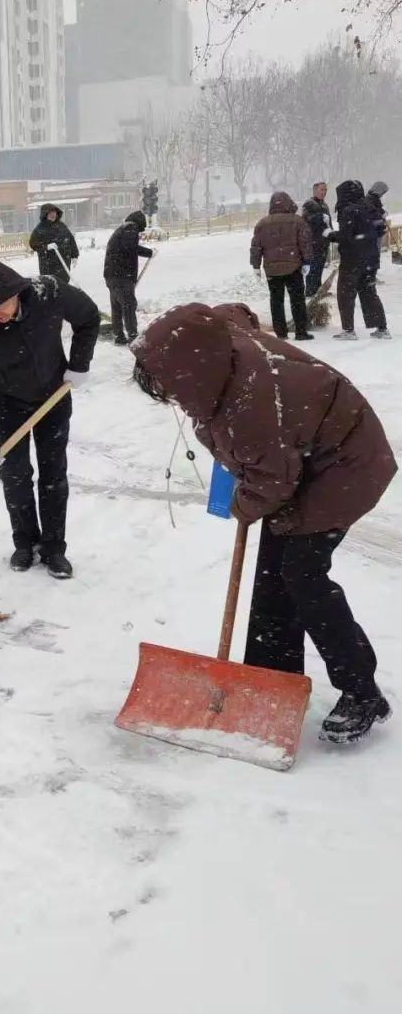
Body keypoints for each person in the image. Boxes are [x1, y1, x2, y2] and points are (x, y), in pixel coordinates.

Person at [132, 302, 395, 745]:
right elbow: (235, 314)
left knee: (301, 574)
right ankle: (272, 675)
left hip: (344, 467)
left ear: (193, 374)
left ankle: (363, 691)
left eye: (172, 389)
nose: (173, 399)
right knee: (275, 572)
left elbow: (272, 482)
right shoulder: (219, 347)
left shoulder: (248, 409)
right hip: (307, 452)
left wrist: (242, 505)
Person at [0, 259, 100, 576]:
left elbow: (89, 317)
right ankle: (24, 544)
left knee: (53, 475)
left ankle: (54, 549)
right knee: (16, 475)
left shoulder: (47, 292)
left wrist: (79, 364)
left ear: (16, 292)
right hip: (7, 403)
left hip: (53, 395)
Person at [249, 190, 314, 341]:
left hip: (272, 269)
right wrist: (307, 262)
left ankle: (281, 333)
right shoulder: (297, 221)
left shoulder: (262, 224)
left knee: (276, 301)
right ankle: (301, 331)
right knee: (297, 299)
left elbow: (256, 247)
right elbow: (305, 244)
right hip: (294, 267)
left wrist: (256, 265)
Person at [331, 180, 390, 340]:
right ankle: (382, 328)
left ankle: (348, 330)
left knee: (345, 294)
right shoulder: (371, 207)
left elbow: (344, 236)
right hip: (371, 259)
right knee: (369, 293)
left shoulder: (348, 211)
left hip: (352, 260)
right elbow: (380, 230)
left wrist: (329, 235)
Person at [103, 211, 153, 345]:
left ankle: (119, 336)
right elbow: (130, 247)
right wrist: (149, 252)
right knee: (128, 305)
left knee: (117, 306)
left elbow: (127, 247)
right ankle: (133, 335)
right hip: (122, 275)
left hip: (111, 274)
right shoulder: (131, 227)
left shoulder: (122, 229)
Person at [28, 202, 79, 285]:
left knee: (64, 284)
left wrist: (74, 255)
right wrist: (46, 247)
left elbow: (71, 240)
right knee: (51, 285)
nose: (53, 215)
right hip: (48, 264)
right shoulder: (40, 229)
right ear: (45, 214)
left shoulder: (61, 226)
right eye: (50, 213)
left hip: (64, 262)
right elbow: (33, 244)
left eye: (54, 212)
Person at [301, 181, 332, 297]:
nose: (324, 192)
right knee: (313, 270)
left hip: (323, 243)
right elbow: (307, 220)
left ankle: (318, 291)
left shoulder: (324, 205)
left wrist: (331, 233)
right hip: (313, 243)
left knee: (319, 269)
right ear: (315, 191)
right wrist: (320, 217)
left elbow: (327, 223)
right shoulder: (309, 204)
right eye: (322, 190)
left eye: (325, 190)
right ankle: (310, 292)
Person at [367, 181, 390, 275]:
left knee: (374, 253)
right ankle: (371, 275)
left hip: (376, 230)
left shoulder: (372, 198)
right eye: (383, 191)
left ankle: (372, 273)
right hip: (374, 231)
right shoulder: (371, 199)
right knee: (374, 253)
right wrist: (382, 214)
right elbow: (374, 212)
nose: (383, 193)